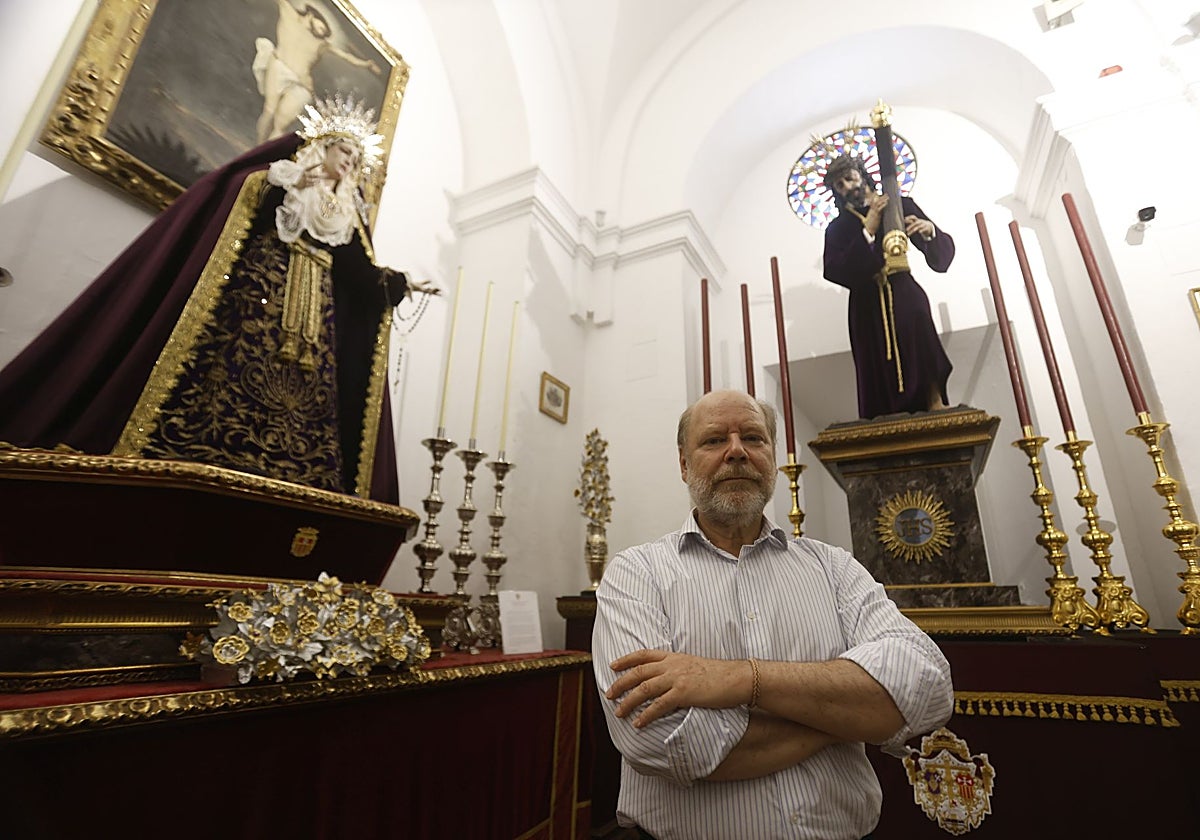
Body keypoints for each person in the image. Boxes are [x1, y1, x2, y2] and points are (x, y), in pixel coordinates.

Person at [0, 94, 435, 502]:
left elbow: (356, 269)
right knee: (239, 358)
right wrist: (290, 183)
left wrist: (398, 284)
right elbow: (252, 207)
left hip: (315, 311)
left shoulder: (344, 213)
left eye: (358, 159)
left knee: (306, 384)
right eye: (346, 153)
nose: (351, 163)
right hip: (262, 289)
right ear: (322, 146)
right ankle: (210, 451)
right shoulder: (281, 178)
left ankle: (293, 472)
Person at [592, 389, 953, 840]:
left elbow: (927, 686)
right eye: (713, 441)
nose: (737, 451)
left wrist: (741, 679)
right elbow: (656, 739)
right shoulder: (635, 574)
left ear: (774, 460)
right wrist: (843, 715)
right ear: (683, 465)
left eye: (753, 438)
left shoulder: (833, 567)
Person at [822, 154, 956, 419]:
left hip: (902, 286)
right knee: (874, 357)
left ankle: (934, 400)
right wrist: (868, 229)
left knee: (919, 331)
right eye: (839, 185)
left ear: (862, 174)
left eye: (849, 178)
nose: (847, 187)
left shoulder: (898, 204)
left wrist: (929, 231)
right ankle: (884, 417)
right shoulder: (838, 228)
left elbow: (942, 258)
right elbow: (835, 270)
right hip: (866, 302)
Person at [253, 0, 384, 143]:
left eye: (324, 31)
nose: (322, 32)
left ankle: (262, 156)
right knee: (269, 111)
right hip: (278, 68)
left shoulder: (322, 44)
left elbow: (347, 57)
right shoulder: (289, 16)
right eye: (321, 27)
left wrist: (367, 64)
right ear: (311, 15)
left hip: (301, 83)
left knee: (280, 124)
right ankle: (258, 145)